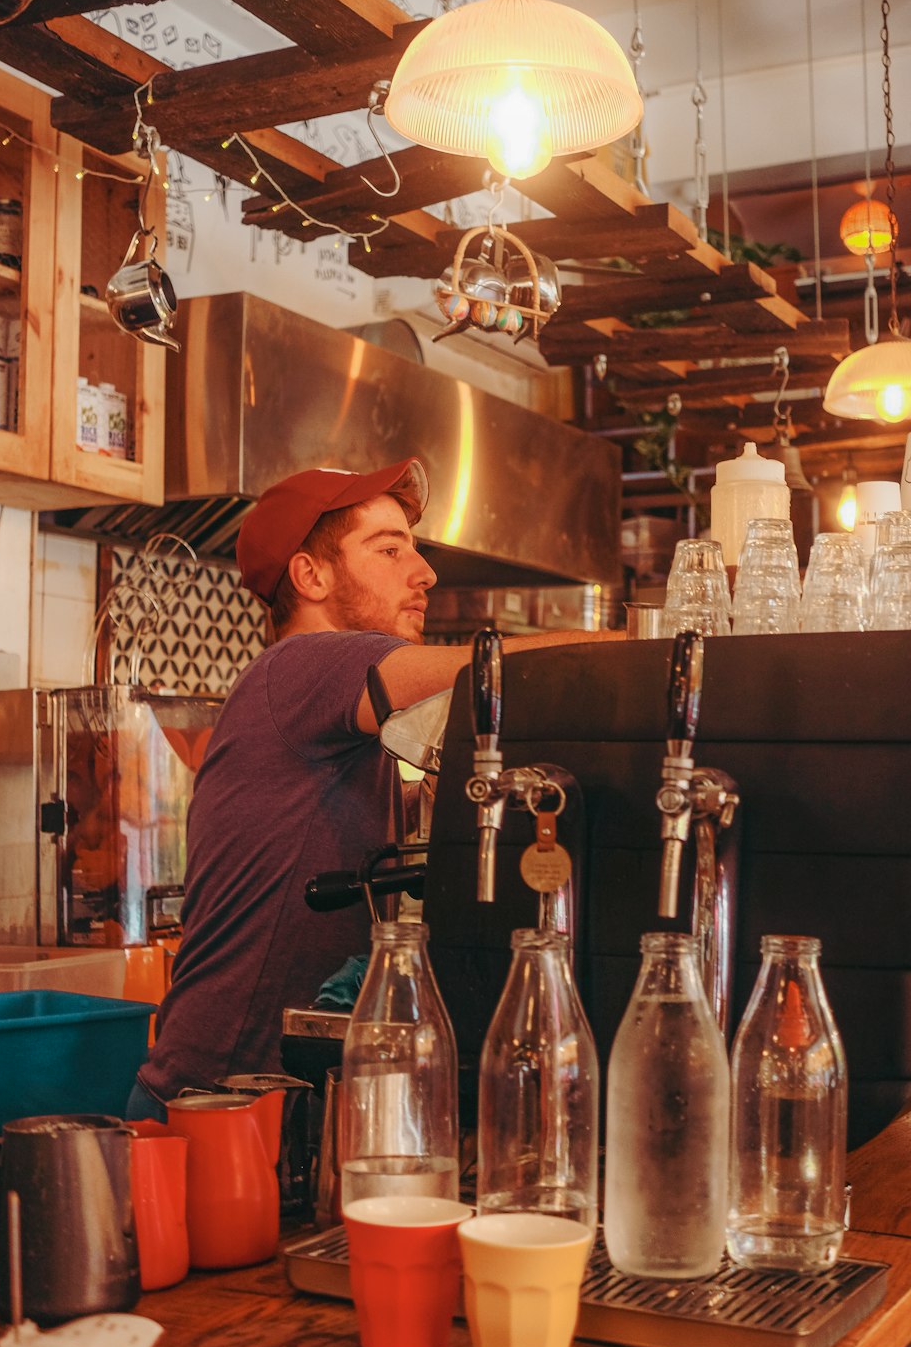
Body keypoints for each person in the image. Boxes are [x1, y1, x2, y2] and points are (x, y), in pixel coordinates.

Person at [128, 457, 620, 1116]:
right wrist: (646, 646)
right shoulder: (303, 665)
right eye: (389, 550)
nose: (425, 575)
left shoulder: (336, 718)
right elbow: (486, 672)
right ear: (311, 575)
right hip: (211, 1107)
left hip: (269, 1097)